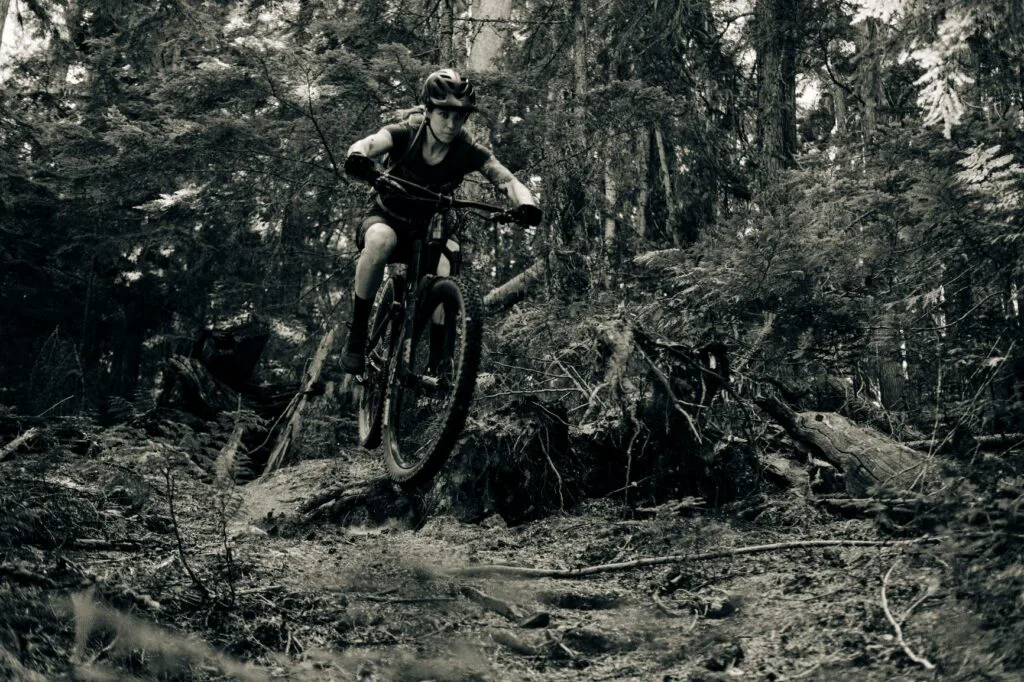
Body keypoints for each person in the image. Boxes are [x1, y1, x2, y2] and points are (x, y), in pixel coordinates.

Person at [340, 68, 543, 374]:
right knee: (381, 240)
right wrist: (358, 155)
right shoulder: (405, 133)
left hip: (427, 232)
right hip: (386, 218)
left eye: (459, 116)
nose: (451, 123)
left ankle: (440, 362)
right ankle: (356, 336)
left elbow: (506, 179)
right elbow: (370, 143)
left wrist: (526, 203)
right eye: (444, 114)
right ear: (429, 110)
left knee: (448, 261)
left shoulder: (466, 150)